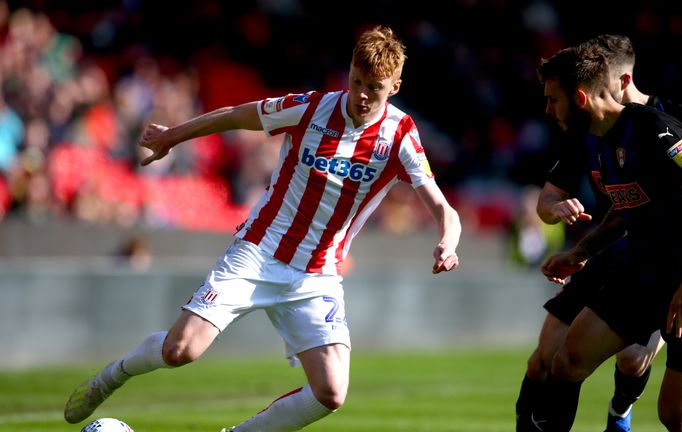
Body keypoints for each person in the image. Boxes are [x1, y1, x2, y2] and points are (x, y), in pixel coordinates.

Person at [63, 25, 461, 431]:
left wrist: (447, 242)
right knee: (180, 349)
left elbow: (444, 208)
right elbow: (237, 114)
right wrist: (173, 137)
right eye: (356, 81)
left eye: (373, 88)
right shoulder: (311, 107)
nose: (360, 95)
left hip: (316, 275)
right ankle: (112, 376)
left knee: (332, 392)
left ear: (394, 86)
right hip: (258, 250)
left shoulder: (400, 136)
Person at [516, 34, 682, 432]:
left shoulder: (654, 128)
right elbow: (627, 209)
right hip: (644, 272)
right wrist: (579, 252)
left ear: (580, 99)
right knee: (567, 362)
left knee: (679, 418)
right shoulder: (597, 141)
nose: (548, 110)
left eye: (553, 99)